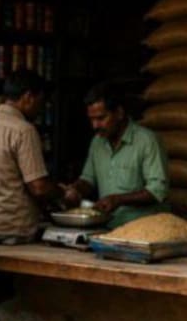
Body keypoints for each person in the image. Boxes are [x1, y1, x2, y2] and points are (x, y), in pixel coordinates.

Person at [0, 69, 64, 244]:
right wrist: (62, 193)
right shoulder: (24, 130)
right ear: (28, 97)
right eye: (40, 102)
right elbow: (39, 187)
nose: (40, 109)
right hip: (12, 229)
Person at [62, 82, 170, 230]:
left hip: (145, 230)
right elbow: (88, 179)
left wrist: (119, 200)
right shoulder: (97, 142)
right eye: (91, 119)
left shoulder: (147, 141)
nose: (95, 126)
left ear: (119, 113)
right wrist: (75, 190)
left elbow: (157, 190)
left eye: (101, 118)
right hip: (109, 228)